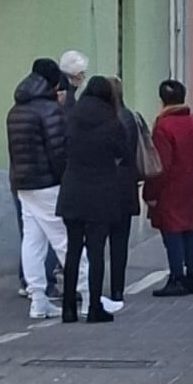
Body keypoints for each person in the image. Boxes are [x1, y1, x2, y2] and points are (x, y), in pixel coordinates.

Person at [6, 58, 89, 319]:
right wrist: (66, 178)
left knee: (33, 241)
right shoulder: (48, 109)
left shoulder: (16, 109)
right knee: (67, 239)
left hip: (23, 183)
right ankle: (88, 295)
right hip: (48, 184)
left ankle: (38, 299)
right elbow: (57, 150)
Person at [56, 77, 126, 323]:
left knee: (72, 250)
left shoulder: (72, 117)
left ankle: (68, 308)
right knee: (96, 252)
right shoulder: (112, 121)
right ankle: (94, 306)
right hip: (100, 193)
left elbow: (61, 149)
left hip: (72, 191)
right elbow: (123, 153)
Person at [143, 80, 193, 297]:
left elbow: (159, 164)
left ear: (162, 100)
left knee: (172, 232)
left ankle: (176, 277)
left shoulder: (163, 126)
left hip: (170, 188)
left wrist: (150, 193)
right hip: (192, 186)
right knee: (189, 230)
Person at [108, 77, 140, 303]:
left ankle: (95, 285)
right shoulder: (129, 116)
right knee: (120, 243)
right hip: (126, 187)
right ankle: (117, 288)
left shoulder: (106, 119)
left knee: (97, 241)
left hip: (106, 186)